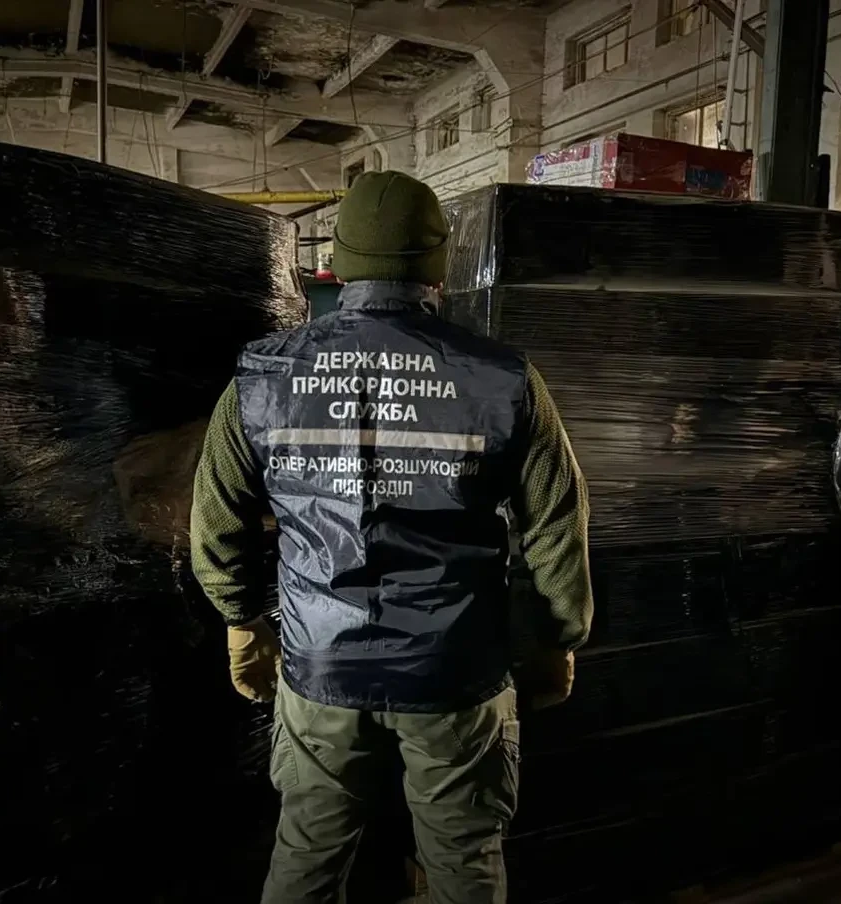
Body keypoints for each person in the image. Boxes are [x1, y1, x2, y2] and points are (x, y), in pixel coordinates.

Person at [190, 170, 593, 904]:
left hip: (320, 667)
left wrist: (242, 620)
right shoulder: (502, 379)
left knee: (306, 858)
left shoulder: (263, 377)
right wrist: (557, 636)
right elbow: (556, 524)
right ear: (436, 264)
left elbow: (217, 518)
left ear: (339, 261)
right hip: (454, 670)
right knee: (464, 861)